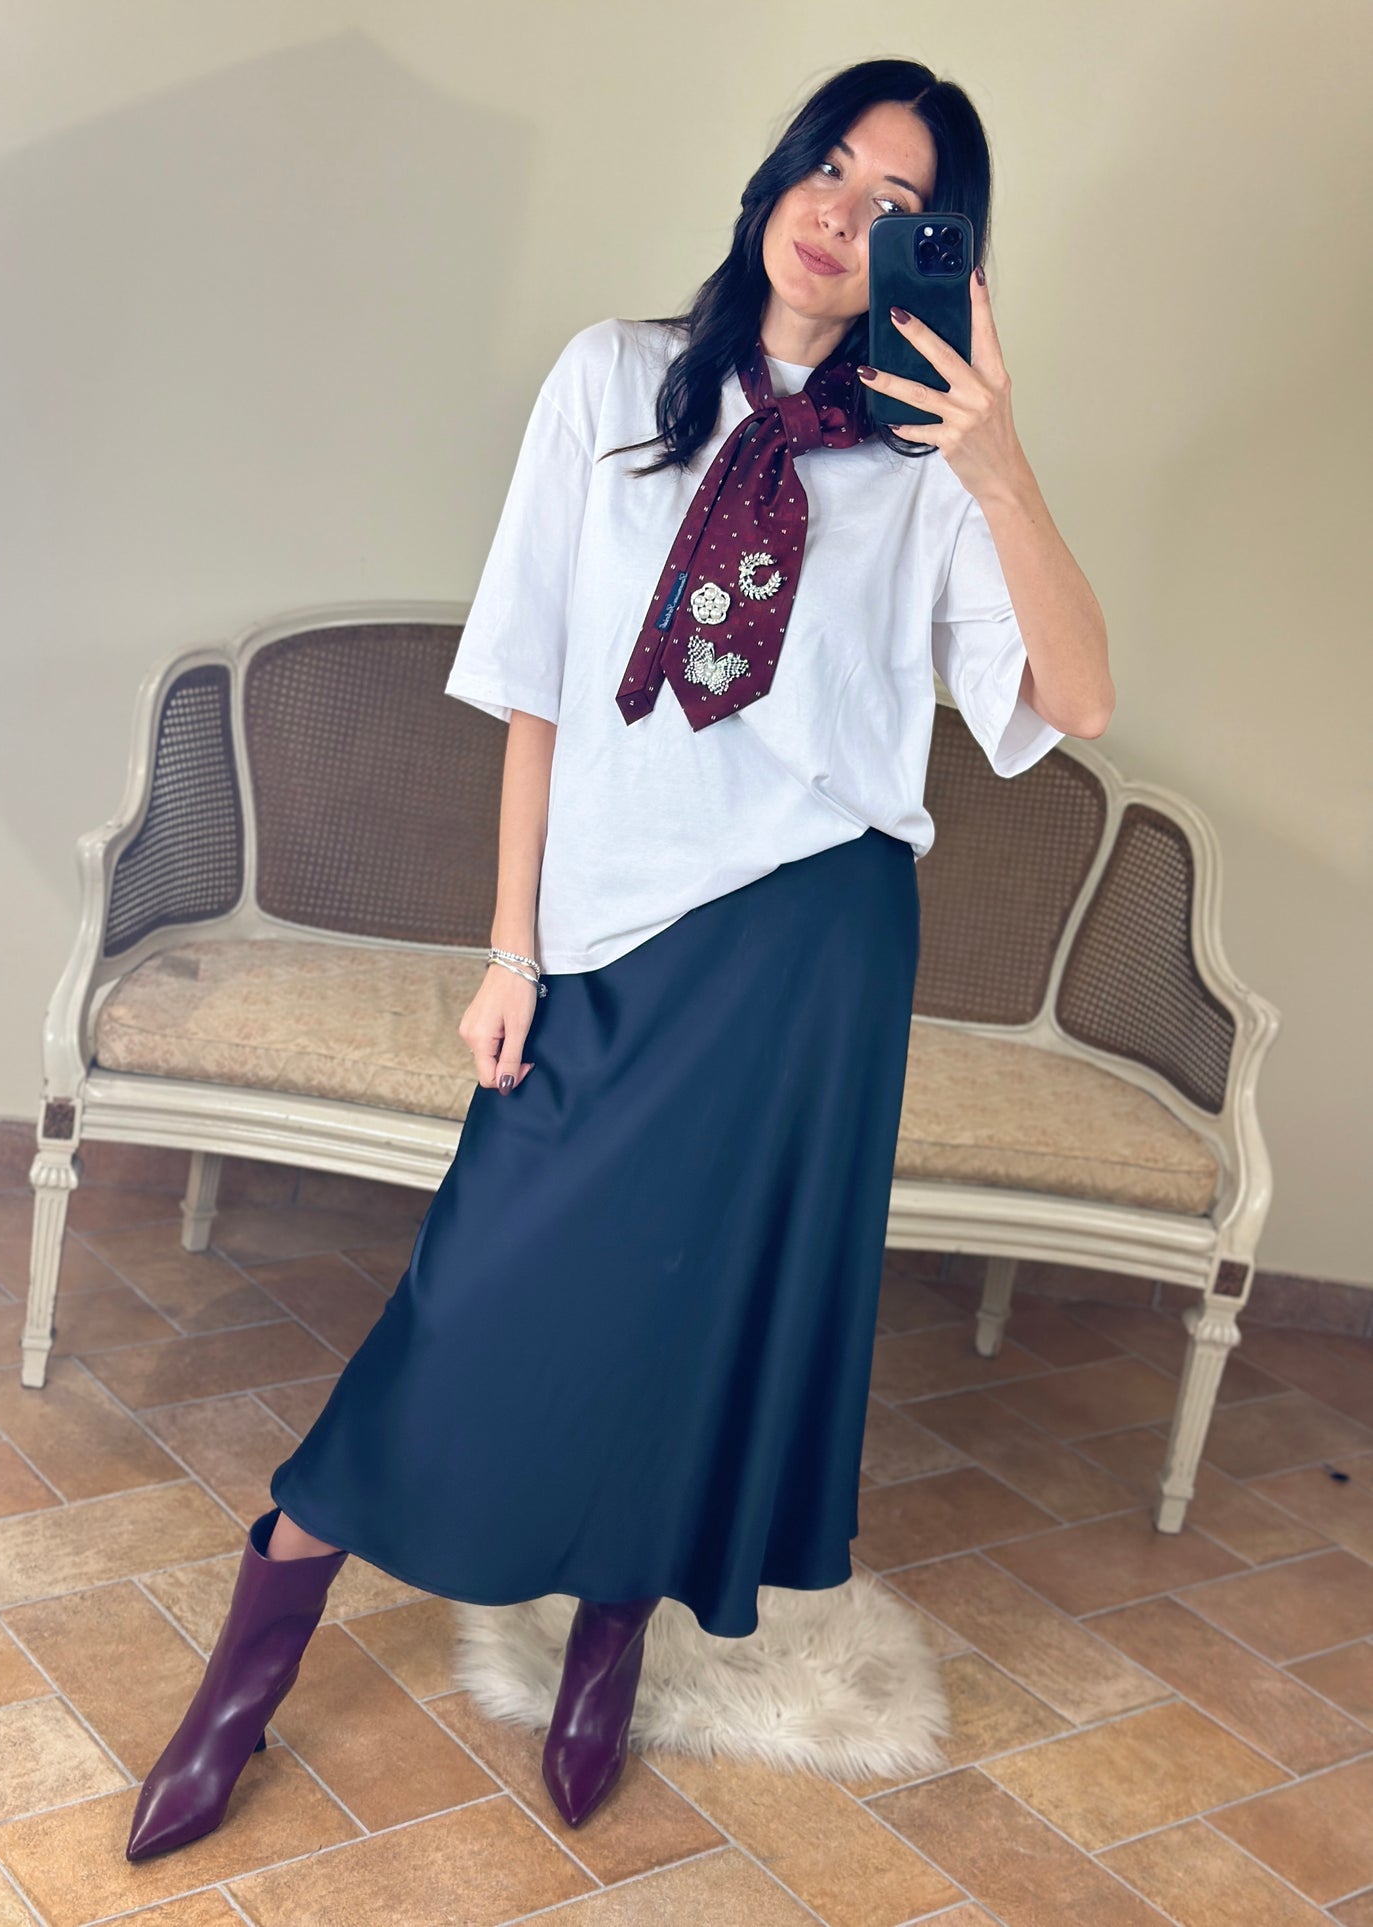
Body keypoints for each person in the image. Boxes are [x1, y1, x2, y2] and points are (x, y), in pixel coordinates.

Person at [124, 56, 1113, 1861]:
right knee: (468, 1308)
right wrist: (509, 948)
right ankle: (243, 1683)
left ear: (941, 256)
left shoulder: (924, 467)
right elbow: (537, 687)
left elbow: (1078, 695)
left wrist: (997, 463)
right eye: (829, 168)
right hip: (606, 941)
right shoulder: (610, 382)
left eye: (899, 207)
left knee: (699, 1321)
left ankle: (609, 1640)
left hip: (811, 948)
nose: (845, 215)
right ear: (773, 178)